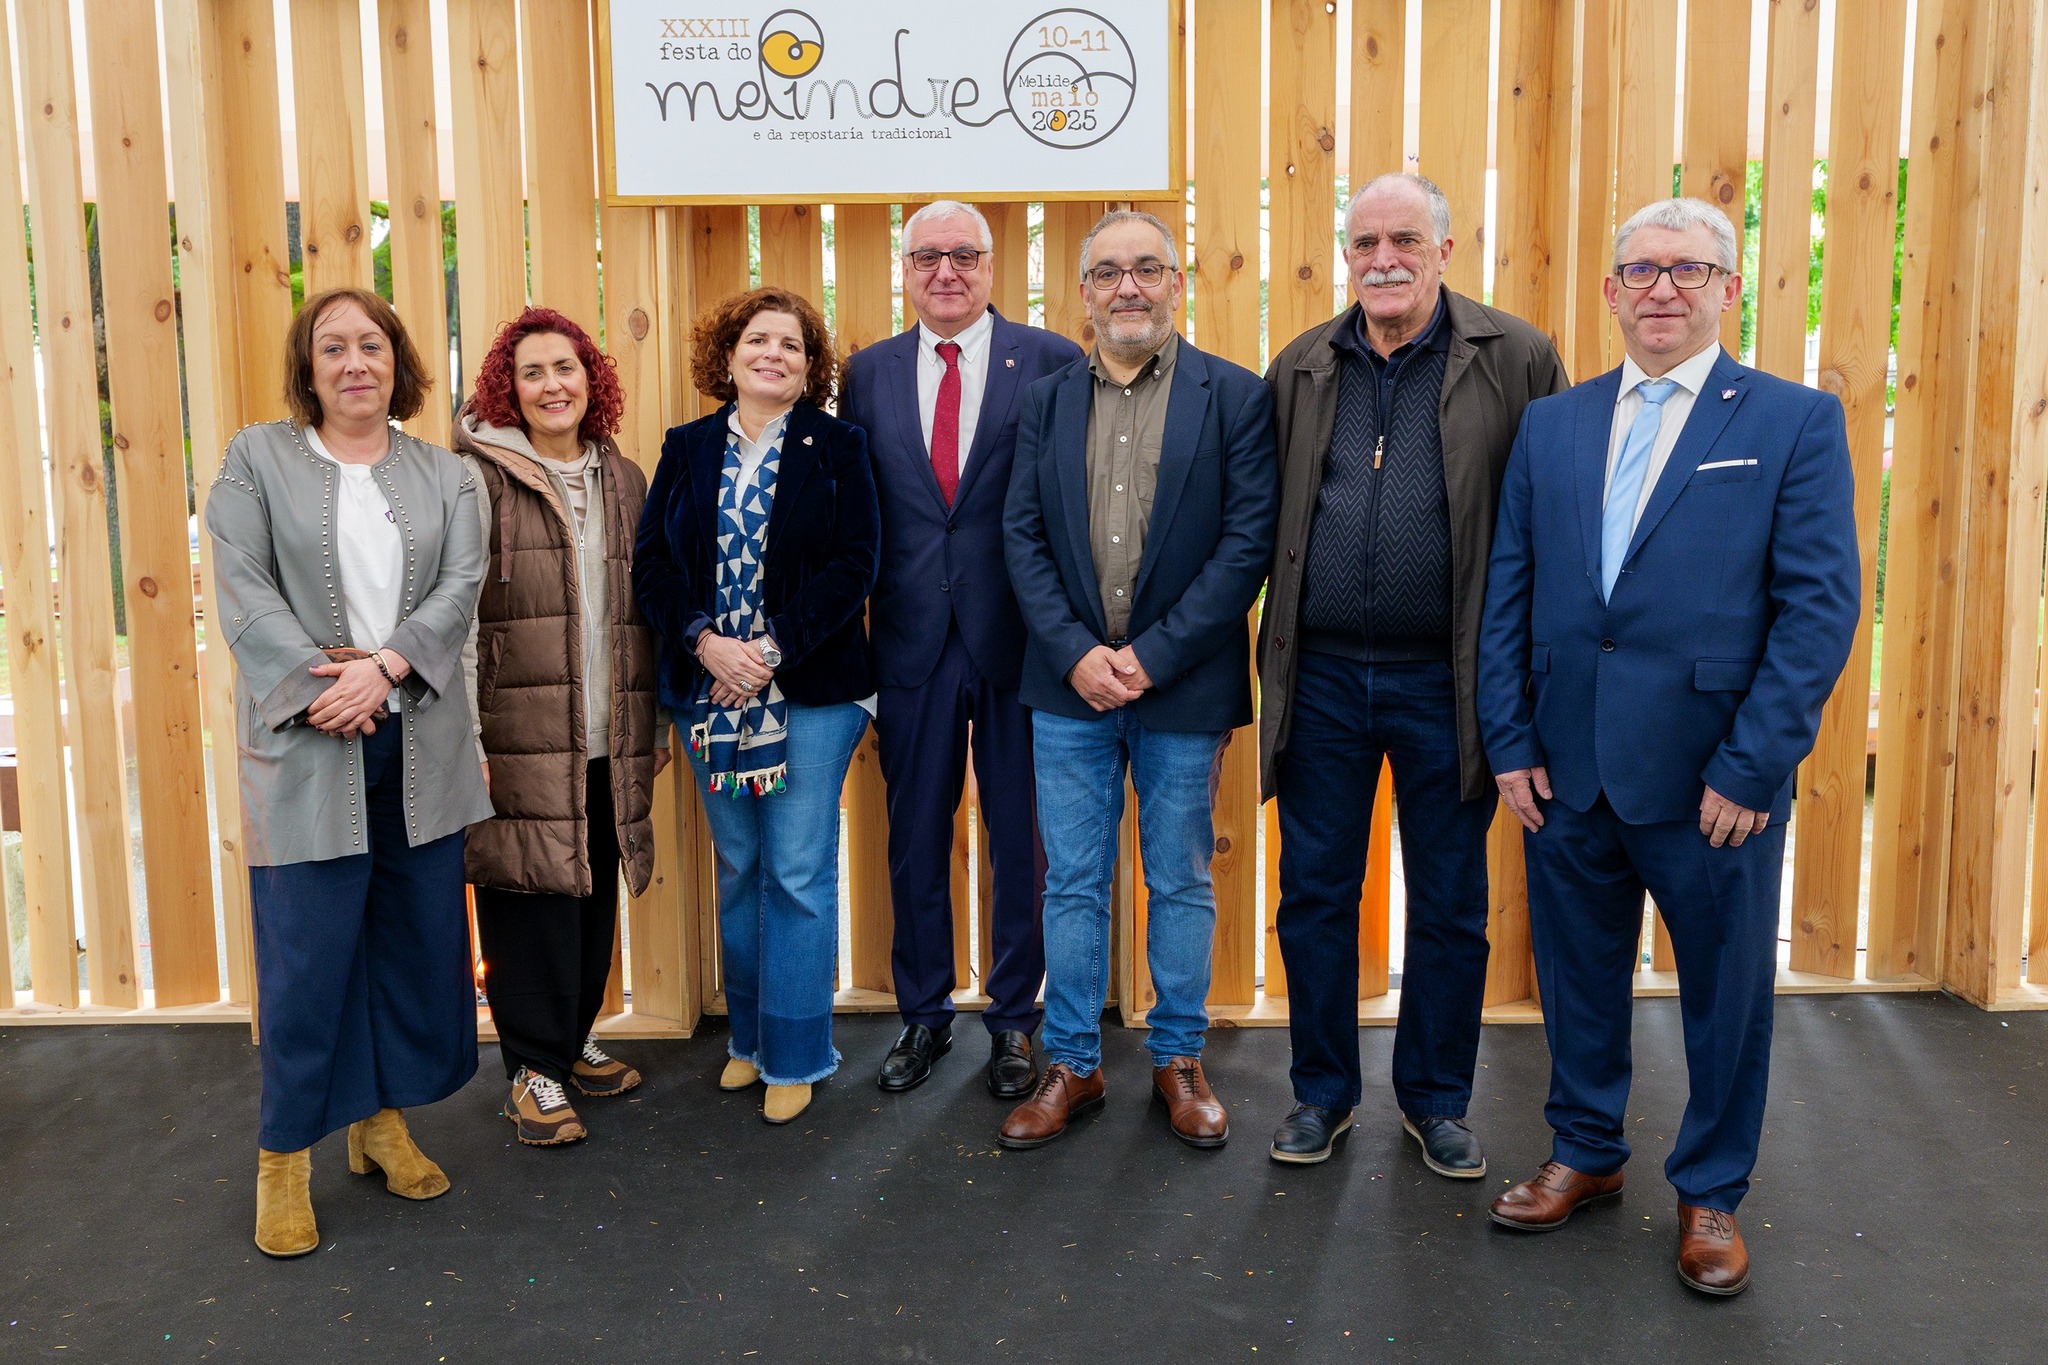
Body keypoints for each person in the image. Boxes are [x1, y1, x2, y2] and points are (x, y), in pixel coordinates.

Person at [1478, 198, 1860, 1296]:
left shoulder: (1792, 421)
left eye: (1688, 270)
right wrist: (1509, 737)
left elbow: (1819, 610)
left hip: (1713, 780)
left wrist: (1751, 763)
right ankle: (1586, 1150)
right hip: (1565, 768)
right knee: (1575, 981)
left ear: (1728, 289)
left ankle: (1710, 1190)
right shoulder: (1552, 425)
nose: (1661, 289)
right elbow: (1508, 591)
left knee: (1725, 998)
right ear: (1609, 291)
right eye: (1640, 270)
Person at [1258, 174, 1569, 1172]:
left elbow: (1552, 526)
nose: (1382, 259)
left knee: (1449, 902)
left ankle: (1435, 1099)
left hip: (1452, 682)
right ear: (1345, 255)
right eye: (1364, 242)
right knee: (1314, 892)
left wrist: (1529, 688)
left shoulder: (1515, 357)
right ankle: (1320, 1094)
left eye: (1403, 240)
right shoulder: (1302, 363)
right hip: (1320, 681)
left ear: (1444, 249)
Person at [206, 287, 492, 1257]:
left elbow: (460, 585)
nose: (354, 362)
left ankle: (381, 1124)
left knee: (409, 945)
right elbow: (241, 585)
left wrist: (386, 668)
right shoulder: (256, 460)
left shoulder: (447, 475)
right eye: (332, 347)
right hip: (307, 738)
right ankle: (283, 1158)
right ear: (308, 366)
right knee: (308, 956)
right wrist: (321, 684)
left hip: (417, 738)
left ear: (397, 360)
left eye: (371, 344)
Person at [999, 210, 1278, 1151]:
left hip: (1183, 685)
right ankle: (1074, 1063)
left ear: (1176, 283)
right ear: (1083, 292)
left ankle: (1179, 1058)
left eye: (1148, 269)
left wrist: (1154, 655)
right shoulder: (1044, 402)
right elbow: (1021, 536)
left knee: (1181, 877)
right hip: (1067, 686)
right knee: (1072, 882)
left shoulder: (1233, 396)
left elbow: (1247, 543)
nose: (1129, 287)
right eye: (1109, 272)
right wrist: (1075, 652)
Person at [838, 201, 1082, 1099]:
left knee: (1023, 839)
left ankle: (1014, 1021)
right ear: (905, 269)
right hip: (910, 643)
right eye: (927, 256)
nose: (946, 271)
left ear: (991, 265)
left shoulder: (1051, 359)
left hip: (1023, 641)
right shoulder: (867, 372)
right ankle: (924, 1014)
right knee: (913, 838)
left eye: (964, 255)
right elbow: (858, 509)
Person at [634, 287, 879, 1126]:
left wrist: (768, 651)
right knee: (740, 867)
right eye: (757, 340)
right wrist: (706, 642)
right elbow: (652, 565)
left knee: (797, 872)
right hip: (709, 690)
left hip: (810, 691)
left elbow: (856, 565)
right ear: (729, 355)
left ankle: (798, 1052)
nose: (774, 354)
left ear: (810, 368)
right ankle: (749, 1037)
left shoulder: (838, 446)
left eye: (793, 345)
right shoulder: (687, 447)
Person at [454, 306, 670, 1147]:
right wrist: (468, 739)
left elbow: (643, 613)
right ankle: (530, 1071)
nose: (553, 385)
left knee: (589, 892)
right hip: (519, 731)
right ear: (508, 389)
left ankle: (572, 1039)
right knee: (525, 898)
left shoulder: (623, 477)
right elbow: (454, 617)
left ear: (591, 379)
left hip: (610, 731)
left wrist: (648, 725)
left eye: (566, 367)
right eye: (533, 371)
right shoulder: (475, 479)